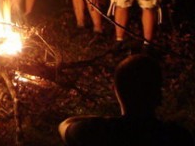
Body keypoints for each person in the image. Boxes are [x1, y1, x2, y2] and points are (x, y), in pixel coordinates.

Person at [58, 53, 194, 145]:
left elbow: (64, 125)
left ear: (116, 90)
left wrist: (104, 119)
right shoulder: (176, 137)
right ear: (159, 95)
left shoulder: (98, 131)